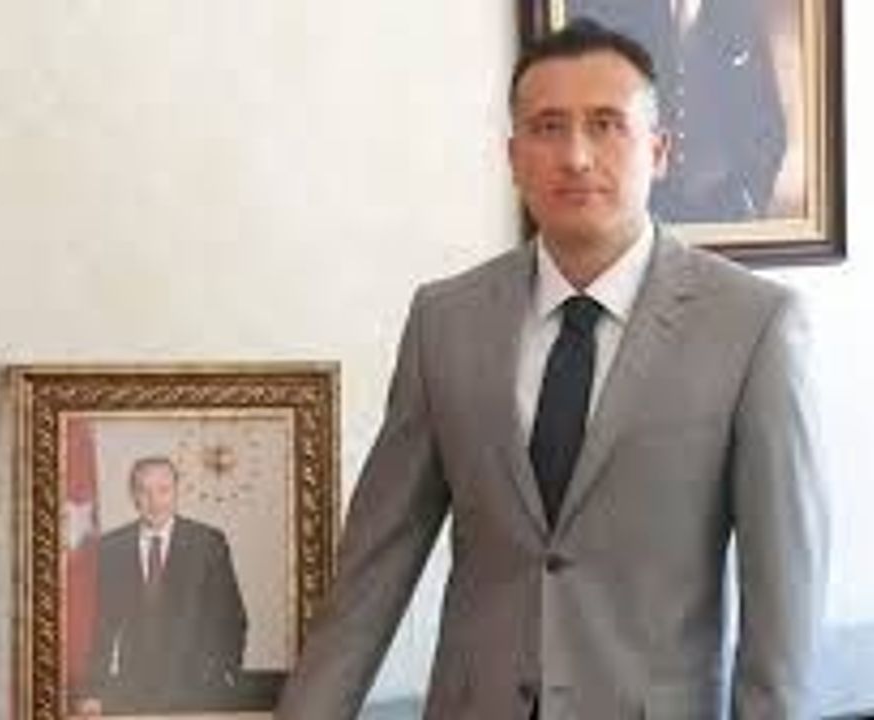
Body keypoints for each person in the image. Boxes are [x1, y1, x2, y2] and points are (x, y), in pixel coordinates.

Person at [277, 18, 826, 719]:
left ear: (659, 151)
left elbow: (783, 610)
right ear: (513, 158)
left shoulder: (753, 326)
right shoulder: (446, 321)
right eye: (547, 128)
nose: (575, 156)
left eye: (606, 125)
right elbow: (373, 570)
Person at [569, 0, 788, 222]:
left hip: (724, 204)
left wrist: (752, 196)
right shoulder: (619, 10)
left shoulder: (738, 12)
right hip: (643, 206)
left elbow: (767, 119)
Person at [78, 455, 248, 714]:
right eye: (144, 491)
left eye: (163, 490)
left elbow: (232, 618)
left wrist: (225, 676)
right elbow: (102, 625)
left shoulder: (207, 543)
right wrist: (93, 690)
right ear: (133, 496)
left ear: (177, 491)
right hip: (132, 691)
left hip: (199, 691)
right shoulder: (113, 547)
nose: (154, 501)